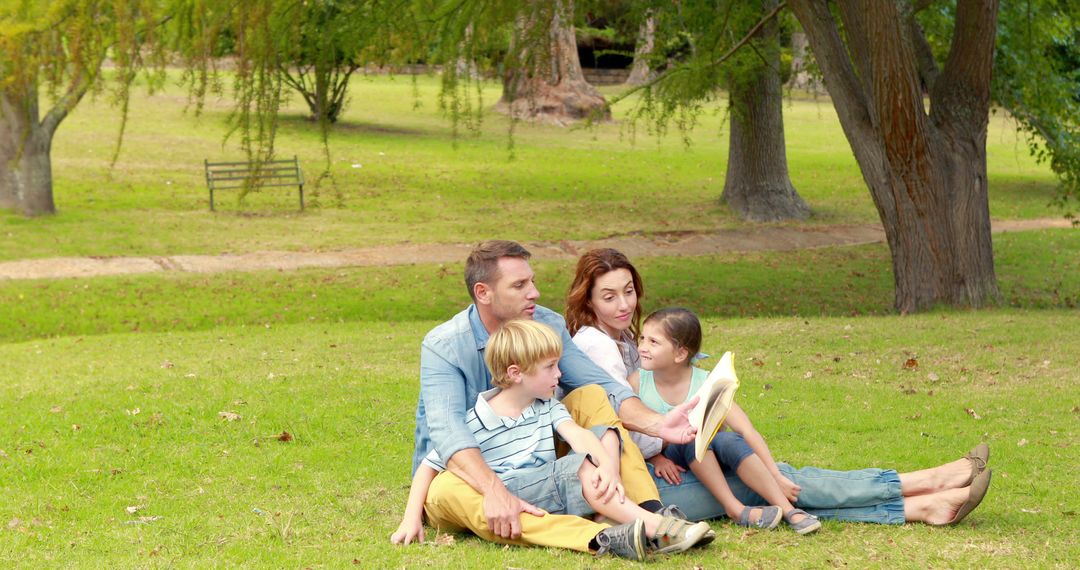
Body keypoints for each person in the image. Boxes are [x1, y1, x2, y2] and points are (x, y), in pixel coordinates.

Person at [565, 248, 993, 526]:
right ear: (588, 300)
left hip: (664, 467)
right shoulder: (593, 345)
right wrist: (658, 451)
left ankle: (922, 504)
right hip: (638, 489)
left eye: (628, 292)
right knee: (776, 480)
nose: (624, 305)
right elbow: (618, 421)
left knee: (770, 478)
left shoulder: (620, 339)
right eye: (609, 297)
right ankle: (923, 484)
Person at [404, 240, 703, 554]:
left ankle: (648, 510)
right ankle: (600, 536)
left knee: (590, 395)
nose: (534, 292)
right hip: (463, 476)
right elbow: (448, 435)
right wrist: (493, 489)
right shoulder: (445, 345)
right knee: (456, 491)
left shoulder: (545, 323)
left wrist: (657, 425)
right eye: (519, 285)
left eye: (531, 281)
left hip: (537, 465)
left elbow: (602, 386)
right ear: (483, 293)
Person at [393, 320, 713, 559]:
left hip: (543, 491)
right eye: (550, 367)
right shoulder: (475, 420)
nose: (560, 375)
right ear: (516, 373)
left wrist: (605, 465)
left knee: (586, 459)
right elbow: (429, 466)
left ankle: (643, 523)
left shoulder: (546, 406)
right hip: (503, 497)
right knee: (576, 467)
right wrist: (410, 519)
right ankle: (656, 528)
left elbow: (579, 436)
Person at [635, 307, 822, 533]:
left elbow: (745, 430)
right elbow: (631, 432)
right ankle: (734, 509)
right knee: (692, 438)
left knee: (729, 438)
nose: (642, 347)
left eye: (653, 342)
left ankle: (787, 508)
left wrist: (775, 474)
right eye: (642, 338)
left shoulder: (707, 383)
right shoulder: (637, 382)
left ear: (680, 353)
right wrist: (656, 459)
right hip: (672, 459)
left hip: (713, 456)